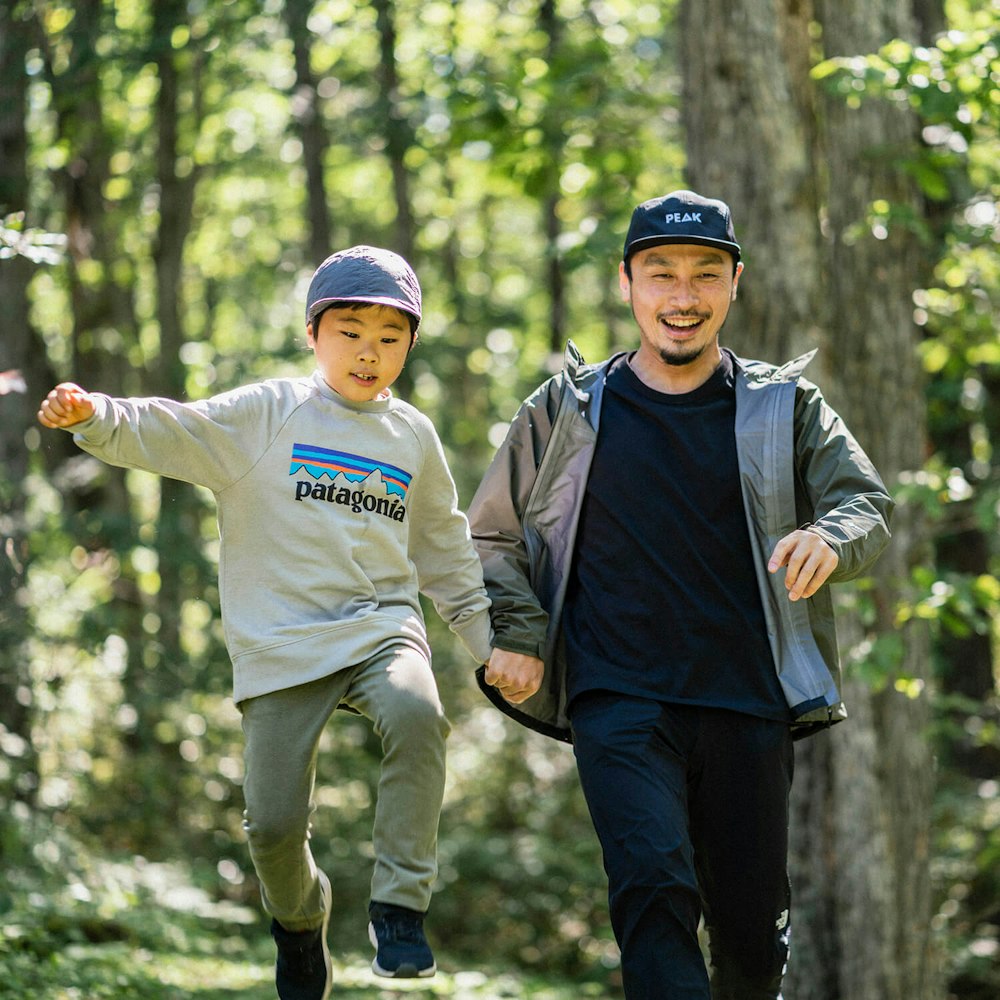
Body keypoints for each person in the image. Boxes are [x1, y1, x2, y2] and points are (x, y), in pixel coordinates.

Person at [468, 191, 893, 1000]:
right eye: (660, 273)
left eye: (705, 274)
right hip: (617, 697)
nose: (683, 295)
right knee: (654, 893)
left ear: (735, 284)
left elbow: (864, 502)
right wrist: (517, 632)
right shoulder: (566, 409)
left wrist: (828, 538)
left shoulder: (785, 406)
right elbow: (491, 534)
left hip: (748, 699)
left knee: (750, 934)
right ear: (627, 284)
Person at [38, 245, 494, 1000]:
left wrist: (486, 649)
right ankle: (299, 921)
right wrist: (96, 416)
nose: (369, 352)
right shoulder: (268, 415)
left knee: (418, 715)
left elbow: (445, 548)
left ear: (411, 345)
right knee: (273, 827)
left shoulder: (412, 436)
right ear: (313, 335)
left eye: (390, 336)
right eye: (350, 332)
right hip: (281, 642)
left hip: (382, 626)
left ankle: (400, 908)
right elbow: (173, 428)